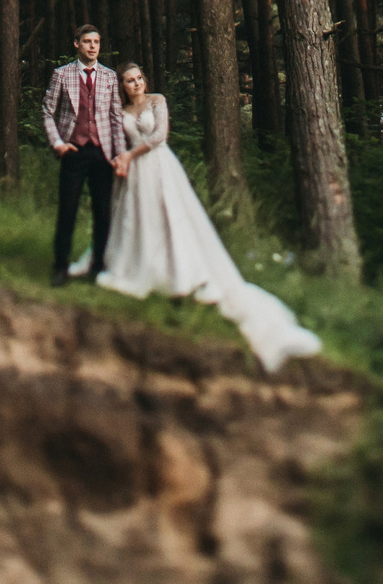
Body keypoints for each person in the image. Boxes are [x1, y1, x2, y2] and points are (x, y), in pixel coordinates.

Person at [69, 61, 322, 373]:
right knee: (135, 221)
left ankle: (179, 268)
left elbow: (160, 135)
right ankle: (137, 263)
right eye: (129, 81)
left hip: (159, 166)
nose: (136, 84)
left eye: (139, 79)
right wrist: (117, 160)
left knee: (171, 218)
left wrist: (130, 156)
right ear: (122, 86)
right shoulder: (121, 112)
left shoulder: (157, 101)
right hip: (133, 174)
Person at [42, 23, 127, 287]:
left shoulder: (110, 76)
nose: (93, 46)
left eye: (97, 42)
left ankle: (98, 266)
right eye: (88, 41)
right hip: (74, 152)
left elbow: (115, 118)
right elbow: (47, 111)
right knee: (67, 210)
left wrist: (119, 155)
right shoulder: (61, 75)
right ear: (77, 44)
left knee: (103, 212)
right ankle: (60, 267)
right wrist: (57, 143)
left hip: (102, 153)